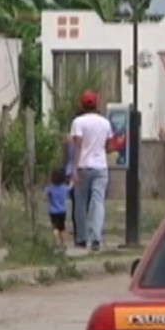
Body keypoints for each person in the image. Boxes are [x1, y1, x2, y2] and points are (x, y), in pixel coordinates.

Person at [69, 90, 112, 252]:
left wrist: (73, 169)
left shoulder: (78, 122)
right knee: (97, 202)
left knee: (80, 204)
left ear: (82, 104)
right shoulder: (105, 123)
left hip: (83, 166)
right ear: (96, 104)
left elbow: (77, 145)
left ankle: (81, 238)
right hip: (100, 167)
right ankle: (96, 237)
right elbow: (108, 147)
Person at [46, 168, 71, 248]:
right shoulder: (64, 188)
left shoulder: (50, 188)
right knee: (62, 228)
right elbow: (70, 187)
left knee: (55, 228)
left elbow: (46, 195)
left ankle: (56, 242)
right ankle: (63, 243)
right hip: (62, 211)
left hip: (53, 211)